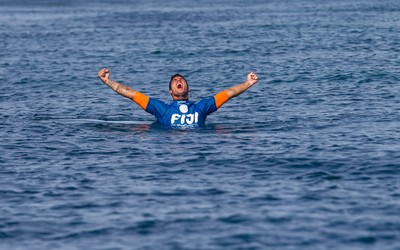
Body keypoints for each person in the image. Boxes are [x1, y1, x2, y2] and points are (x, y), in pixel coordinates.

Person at [97, 68, 259, 128]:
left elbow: (229, 93)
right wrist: (108, 81)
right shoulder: (162, 109)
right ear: (170, 92)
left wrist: (247, 83)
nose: (178, 81)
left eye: (181, 79)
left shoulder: (201, 107)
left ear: (188, 88)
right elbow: (131, 93)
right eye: (174, 81)